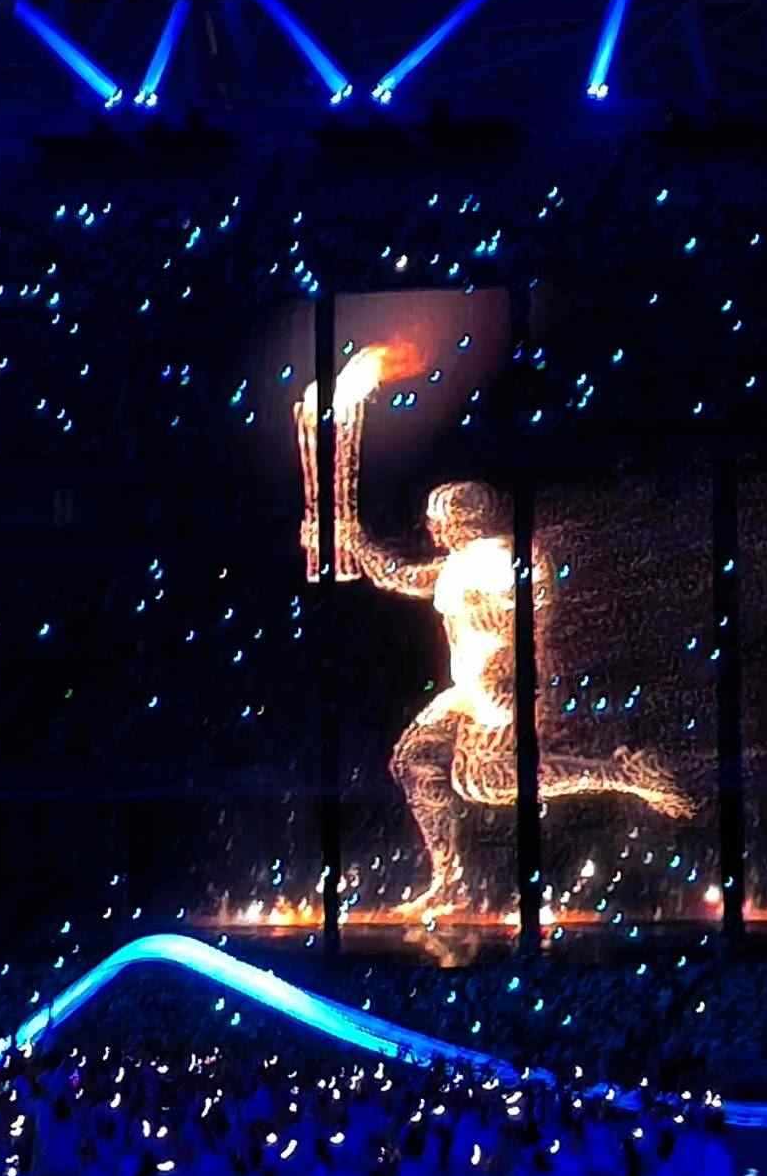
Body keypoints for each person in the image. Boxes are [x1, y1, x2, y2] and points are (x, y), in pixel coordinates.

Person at [295, 348, 691, 917]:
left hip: (502, 693)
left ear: (459, 520)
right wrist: (350, 536)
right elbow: (398, 576)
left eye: (438, 520)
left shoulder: (501, 559)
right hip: (471, 692)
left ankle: (620, 774)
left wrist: (510, 670)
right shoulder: (463, 562)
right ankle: (449, 881)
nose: (431, 528)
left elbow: (523, 614)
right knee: (414, 761)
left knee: (485, 782)